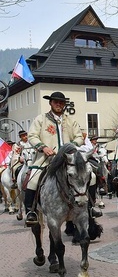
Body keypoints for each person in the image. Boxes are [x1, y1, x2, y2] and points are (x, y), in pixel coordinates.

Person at [24, 91, 84, 225]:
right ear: (50, 103)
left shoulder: (70, 120)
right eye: (55, 102)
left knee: (89, 176)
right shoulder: (41, 119)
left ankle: (90, 208)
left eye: (61, 102)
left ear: (64, 105)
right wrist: (43, 147)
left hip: (68, 159)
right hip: (46, 159)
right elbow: (32, 136)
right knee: (33, 179)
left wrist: (72, 146)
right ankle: (31, 210)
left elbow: (79, 137)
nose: (58, 104)